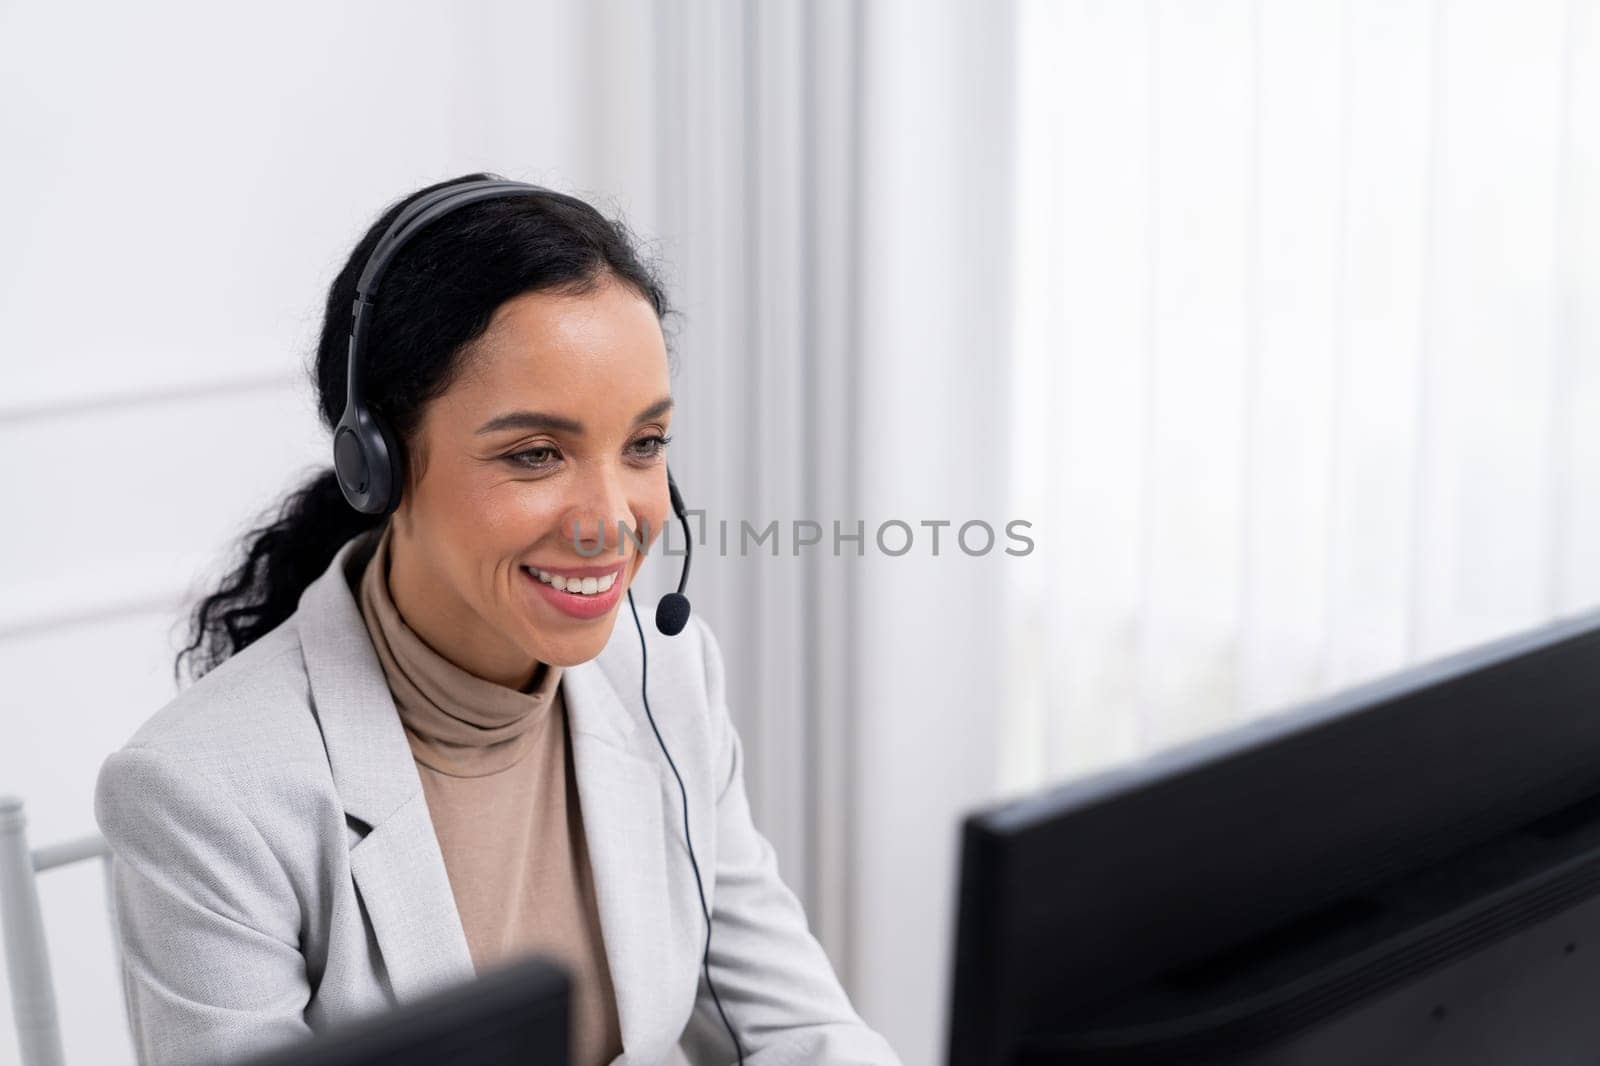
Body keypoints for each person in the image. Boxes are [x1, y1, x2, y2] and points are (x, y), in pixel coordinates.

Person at [93, 173, 902, 1066]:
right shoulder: (205, 793)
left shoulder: (666, 671)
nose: (612, 519)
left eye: (644, 445)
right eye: (536, 454)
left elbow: (799, 1025)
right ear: (380, 466)